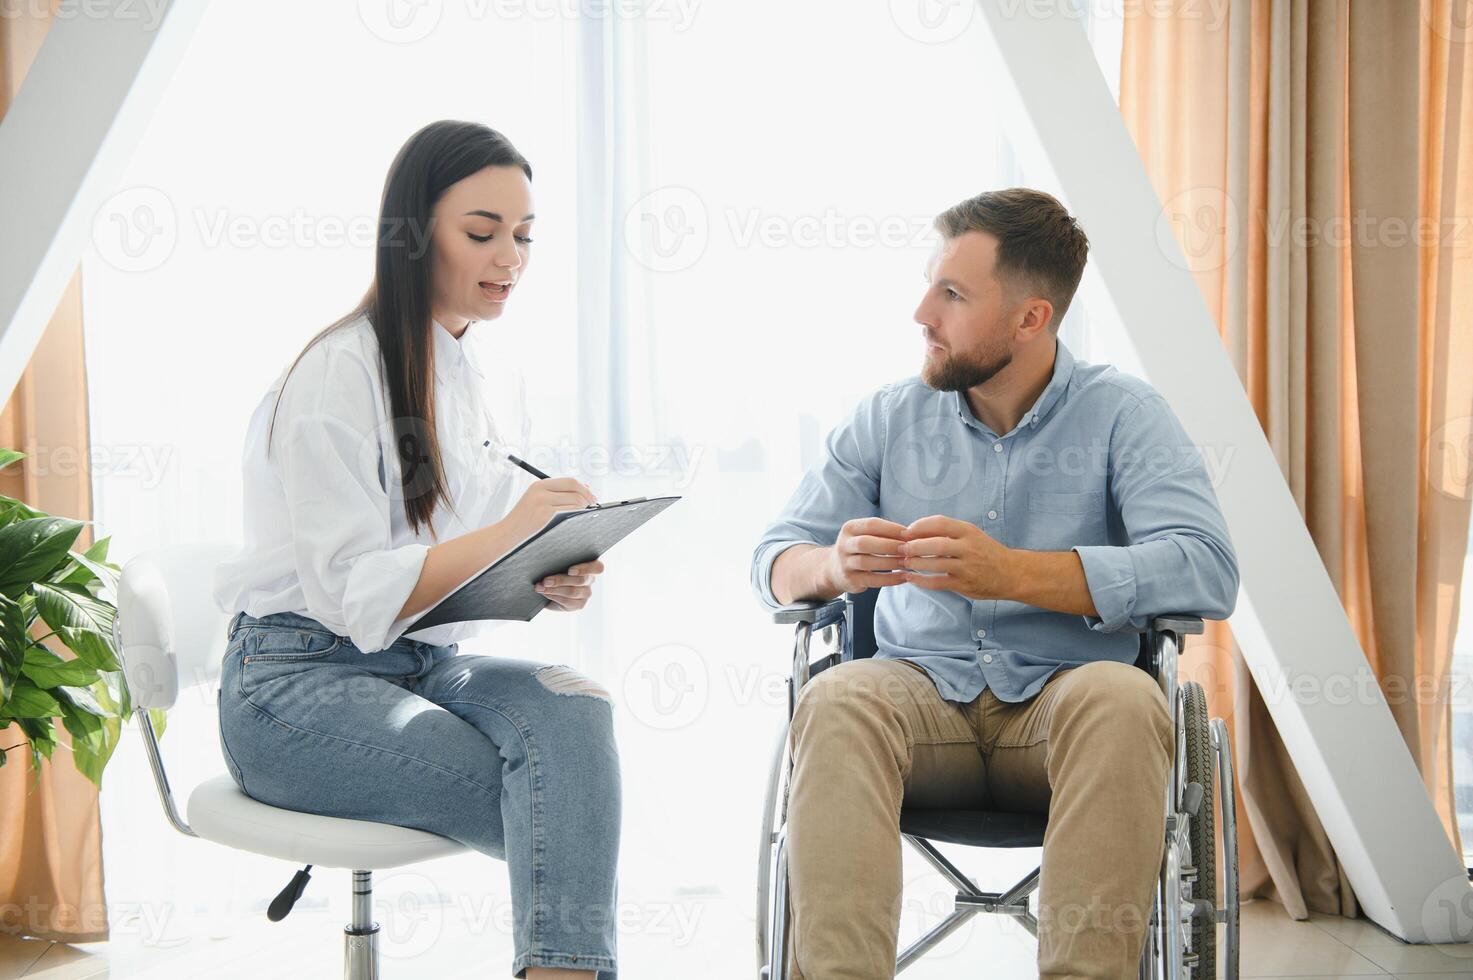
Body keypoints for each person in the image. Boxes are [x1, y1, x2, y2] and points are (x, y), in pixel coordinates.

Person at [750, 187, 1239, 979]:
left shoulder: (1125, 417)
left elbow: (1205, 568)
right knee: (838, 697)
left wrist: (1016, 574)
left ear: (1029, 319)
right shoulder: (887, 419)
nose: (921, 313)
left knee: (1123, 699)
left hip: (1064, 708)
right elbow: (773, 557)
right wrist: (830, 567)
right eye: (927, 283)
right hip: (917, 706)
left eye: (951, 294)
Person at [213, 120, 619, 980]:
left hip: (418, 665)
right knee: (554, 797)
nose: (509, 256)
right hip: (295, 685)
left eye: (523, 236)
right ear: (411, 232)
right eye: (481, 232)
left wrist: (541, 570)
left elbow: (449, 572)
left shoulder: (468, 375)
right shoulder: (339, 371)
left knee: (575, 707)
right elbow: (355, 596)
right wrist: (511, 530)